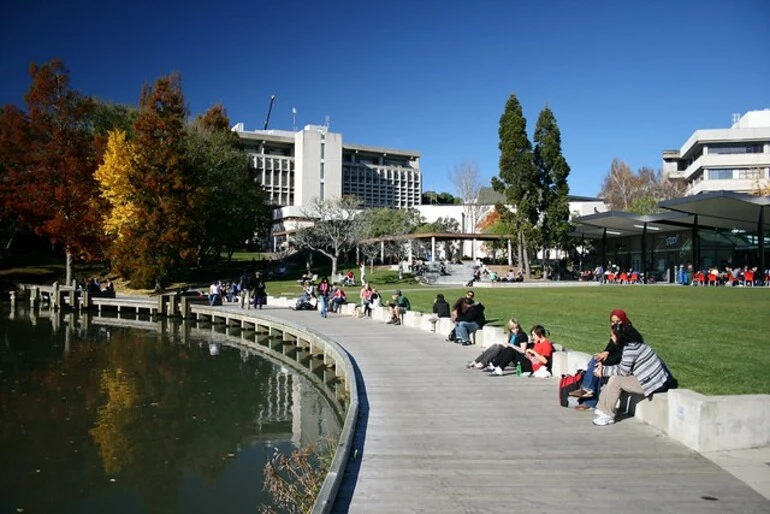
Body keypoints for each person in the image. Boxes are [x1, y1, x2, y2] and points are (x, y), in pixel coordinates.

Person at [592, 309, 673, 426]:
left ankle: (608, 415)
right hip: (648, 378)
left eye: (613, 336)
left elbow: (623, 371)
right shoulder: (634, 343)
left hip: (653, 383)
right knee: (614, 378)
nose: (612, 339)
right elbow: (624, 367)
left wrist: (603, 370)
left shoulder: (630, 348)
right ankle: (602, 408)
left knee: (616, 380)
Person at [568, 310, 625, 410]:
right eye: (612, 321)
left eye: (618, 321)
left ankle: (588, 392)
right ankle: (589, 396)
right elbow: (611, 344)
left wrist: (604, 362)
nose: (615, 324)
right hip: (616, 358)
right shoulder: (616, 330)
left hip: (624, 363)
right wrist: (605, 352)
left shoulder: (627, 333)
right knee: (596, 360)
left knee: (597, 365)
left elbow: (622, 353)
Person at [488, 325, 553, 377]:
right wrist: (528, 354)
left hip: (533, 367)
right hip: (530, 362)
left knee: (511, 350)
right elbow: (533, 357)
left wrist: (533, 352)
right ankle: (495, 365)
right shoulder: (538, 343)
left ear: (540, 334)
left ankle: (499, 368)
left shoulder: (547, 345)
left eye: (534, 335)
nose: (533, 337)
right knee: (509, 349)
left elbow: (545, 360)